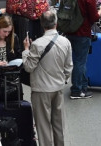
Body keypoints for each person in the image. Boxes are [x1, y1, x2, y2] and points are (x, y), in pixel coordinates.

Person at [21, 10, 73, 146]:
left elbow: (28, 67)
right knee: (59, 123)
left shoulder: (37, 44)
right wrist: (63, 79)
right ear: (56, 23)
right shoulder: (65, 42)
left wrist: (26, 50)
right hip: (58, 87)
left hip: (41, 89)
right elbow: (68, 67)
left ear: (42, 24)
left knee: (43, 125)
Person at [62, 0, 101, 99]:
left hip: (67, 30)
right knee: (80, 61)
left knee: (74, 60)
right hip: (82, 31)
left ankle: (83, 86)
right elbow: (94, 17)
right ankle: (77, 90)